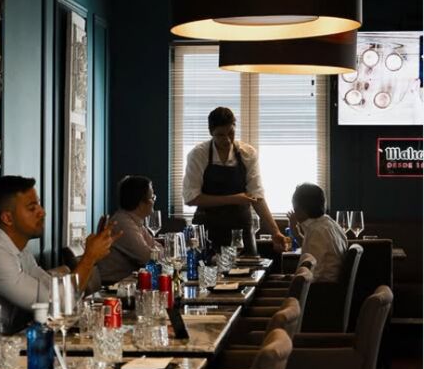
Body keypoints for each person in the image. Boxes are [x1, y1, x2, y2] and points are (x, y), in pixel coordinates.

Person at [0, 175, 119, 332]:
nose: (42, 212)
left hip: (8, 340)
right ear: (7, 218)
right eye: (32, 208)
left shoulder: (18, 249)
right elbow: (57, 306)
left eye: (39, 205)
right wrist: (90, 257)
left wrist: (89, 258)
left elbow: (51, 290)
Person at [182, 106, 286, 255]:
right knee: (207, 267)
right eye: (220, 135)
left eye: (231, 133)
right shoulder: (198, 154)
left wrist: (275, 232)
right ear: (211, 132)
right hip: (207, 228)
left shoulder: (247, 153)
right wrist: (234, 199)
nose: (227, 139)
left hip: (241, 227)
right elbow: (191, 198)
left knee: (249, 267)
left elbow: (257, 196)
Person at [98, 175, 160, 285]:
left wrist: (159, 252)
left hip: (125, 284)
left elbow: (157, 248)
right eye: (152, 198)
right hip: (112, 286)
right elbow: (148, 258)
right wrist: (159, 253)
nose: (154, 201)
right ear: (141, 204)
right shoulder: (123, 224)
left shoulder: (134, 221)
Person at [287, 182, 348, 282]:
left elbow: (314, 274)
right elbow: (311, 251)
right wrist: (296, 233)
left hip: (320, 288)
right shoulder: (328, 223)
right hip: (327, 285)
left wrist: (292, 280)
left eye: (295, 207)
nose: (294, 211)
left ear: (301, 209)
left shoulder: (318, 231)